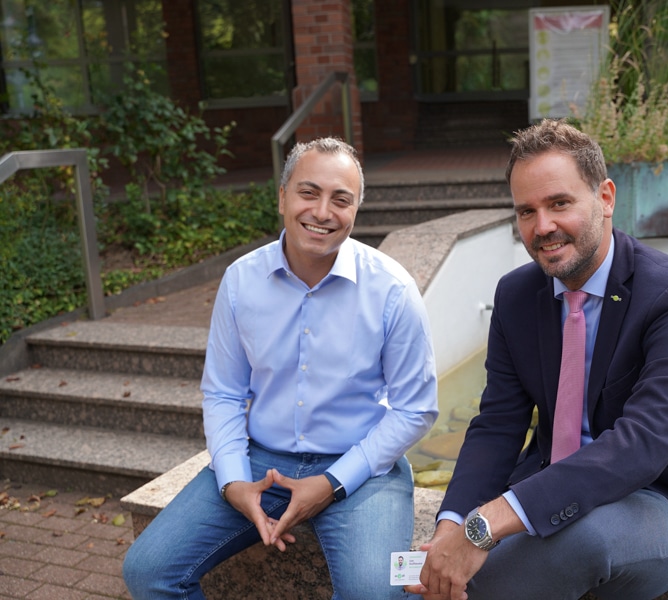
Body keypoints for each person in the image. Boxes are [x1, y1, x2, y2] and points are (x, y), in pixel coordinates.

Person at [406, 119, 668, 600]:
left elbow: (644, 442)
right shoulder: (516, 295)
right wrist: (454, 524)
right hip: (546, 489)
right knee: (427, 563)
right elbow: (498, 425)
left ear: (606, 198)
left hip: (654, 502)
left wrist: (486, 523)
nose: (543, 227)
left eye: (559, 203)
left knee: (580, 541)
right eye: (526, 212)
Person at [123, 137, 439, 600]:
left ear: (356, 210)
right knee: (147, 571)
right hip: (259, 462)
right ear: (282, 196)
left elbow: (415, 409)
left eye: (341, 199)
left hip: (363, 467)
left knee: (378, 593)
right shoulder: (241, 281)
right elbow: (224, 392)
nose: (323, 211)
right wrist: (232, 480)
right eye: (308, 192)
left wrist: (333, 482)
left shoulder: (392, 289)